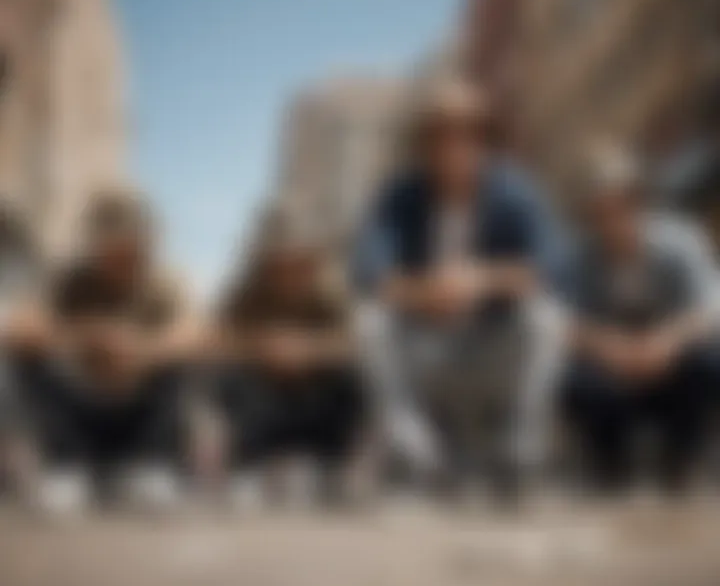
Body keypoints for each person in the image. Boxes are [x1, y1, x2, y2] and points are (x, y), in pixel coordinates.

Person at [354, 77, 565, 499]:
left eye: (469, 132)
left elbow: (553, 265)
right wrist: (426, 291)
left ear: (486, 139)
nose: (454, 146)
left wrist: (482, 278)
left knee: (547, 318)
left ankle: (518, 451)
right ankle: (415, 453)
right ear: (423, 143)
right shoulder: (400, 195)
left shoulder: (514, 191)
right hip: (427, 350)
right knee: (368, 323)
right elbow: (368, 272)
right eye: (440, 134)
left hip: (492, 346)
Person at [3, 189, 199, 511]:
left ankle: (149, 467)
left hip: (139, 406)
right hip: (82, 404)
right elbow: (19, 329)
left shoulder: (165, 281)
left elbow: (197, 334)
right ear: (95, 246)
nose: (124, 258)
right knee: (27, 359)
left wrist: (142, 349)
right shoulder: (67, 279)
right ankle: (65, 468)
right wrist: (88, 336)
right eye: (114, 248)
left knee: (186, 365)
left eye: (134, 247)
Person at [560, 151, 719, 494]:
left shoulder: (680, 242)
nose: (614, 218)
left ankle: (682, 458)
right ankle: (609, 463)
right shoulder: (579, 255)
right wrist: (610, 348)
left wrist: (667, 341)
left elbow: (711, 303)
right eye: (602, 211)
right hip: (612, 373)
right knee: (573, 380)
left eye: (622, 205)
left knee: (707, 364)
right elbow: (559, 319)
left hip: (670, 365)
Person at [205, 201, 367, 504]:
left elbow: (355, 341)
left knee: (352, 380)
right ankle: (248, 468)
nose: (288, 270)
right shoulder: (246, 291)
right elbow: (216, 339)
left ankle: (332, 469)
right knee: (227, 379)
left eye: (297, 260)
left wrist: (307, 350)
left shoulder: (330, 287)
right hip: (265, 404)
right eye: (278, 261)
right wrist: (261, 347)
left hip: (314, 400)